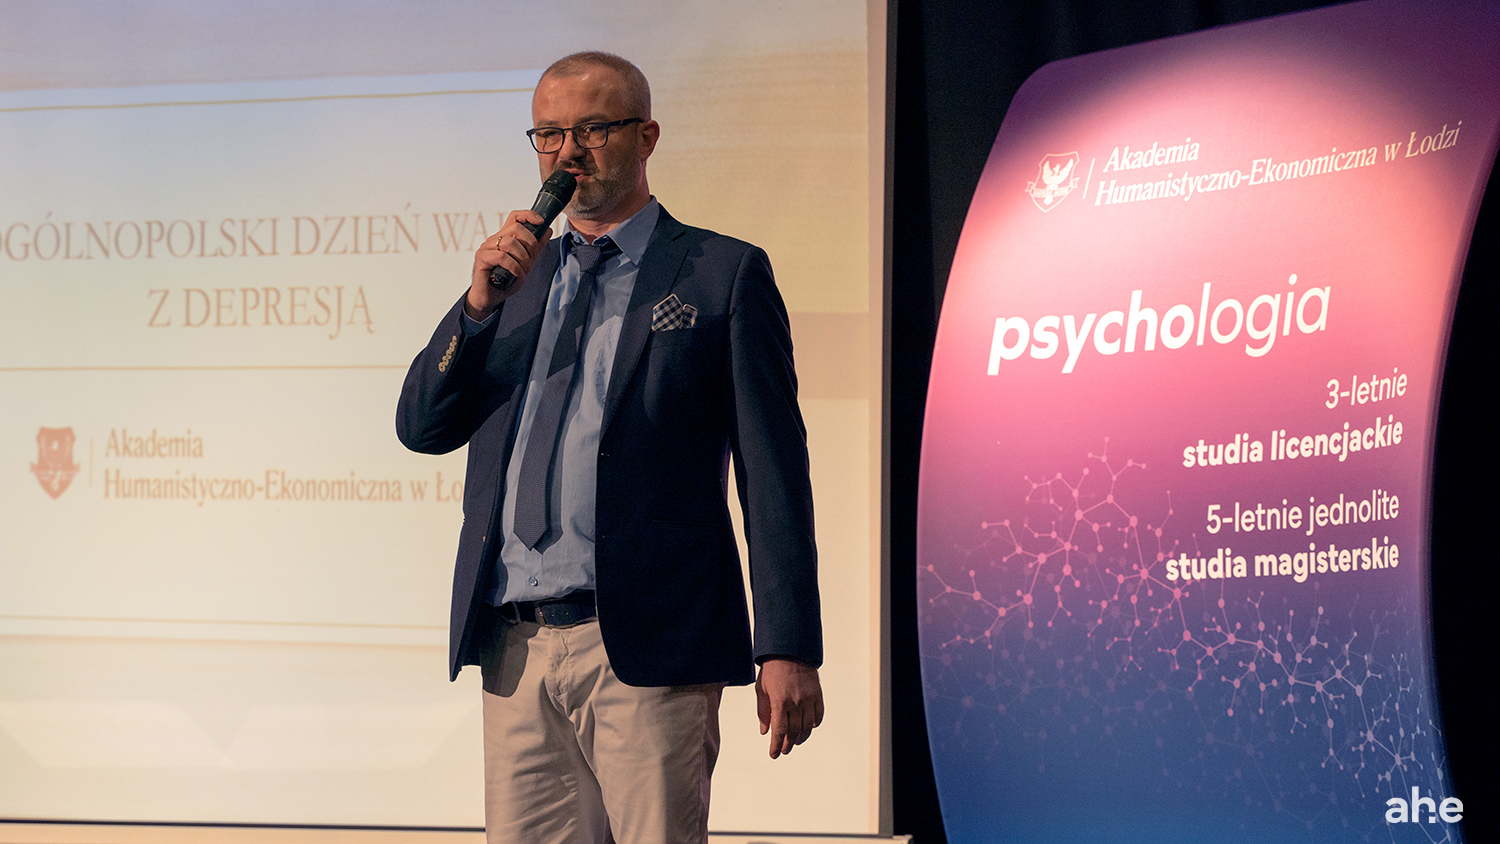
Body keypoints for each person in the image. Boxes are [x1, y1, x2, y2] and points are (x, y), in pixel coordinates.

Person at [395, 51, 823, 844]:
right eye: (549, 134)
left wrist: (788, 645)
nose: (568, 152)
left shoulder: (720, 274)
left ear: (646, 137)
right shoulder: (516, 279)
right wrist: (477, 306)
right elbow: (422, 427)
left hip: (649, 641)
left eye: (592, 129)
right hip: (515, 643)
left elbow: (774, 475)